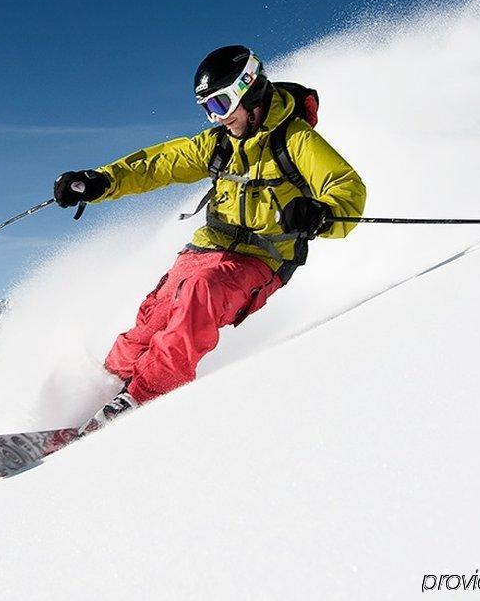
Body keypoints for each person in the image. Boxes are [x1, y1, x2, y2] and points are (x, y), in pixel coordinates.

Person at [53, 45, 366, 431]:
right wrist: (102, 181)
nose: (216, 118)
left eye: (220, 105)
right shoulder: (218, 143)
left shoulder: (295, 140)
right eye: (207, 109)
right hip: (206, 248)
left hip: (261, 259)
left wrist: (320, 213)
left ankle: (141, 401)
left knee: (199, 296)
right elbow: (160, 163)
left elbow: (346, 187)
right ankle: (100, 391)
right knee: (153, 319)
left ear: (248, 90)